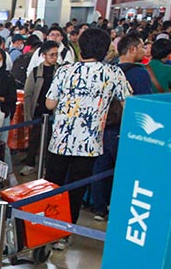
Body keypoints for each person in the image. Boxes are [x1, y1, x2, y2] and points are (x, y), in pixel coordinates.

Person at [44, 28, 131, 248]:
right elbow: (130, 104)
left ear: (80, 47)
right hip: (90, 144)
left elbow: (50, 104)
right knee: (75, 190)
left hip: (60, 140)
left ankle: (44, 228)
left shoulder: (65, 71)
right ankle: (64, 235)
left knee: (53, 186)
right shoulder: (113, 73)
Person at [90, 34, 153, 221]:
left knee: (100, 169)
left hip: (104, 127)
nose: (144, 51)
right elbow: (143, 105)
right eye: (142, 47)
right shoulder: (139, 73)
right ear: (132, 49)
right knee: (125, 171)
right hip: (125, 130)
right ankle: (120, 209)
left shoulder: (108, 70)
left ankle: (99, 207)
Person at [20, 40, 59, 176]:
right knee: (34, 140)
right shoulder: (36, 72)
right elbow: (28, 94)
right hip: (38, 112)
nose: (54, 58)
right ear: (43, 55)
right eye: (51, 55)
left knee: (51, 141)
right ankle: (30, 164)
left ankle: (47, 167)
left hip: (54, 113)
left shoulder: (60, 71)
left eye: (56, 55)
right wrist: (27, 116)